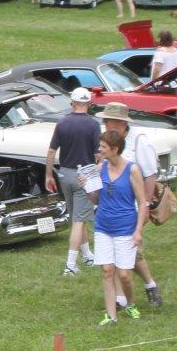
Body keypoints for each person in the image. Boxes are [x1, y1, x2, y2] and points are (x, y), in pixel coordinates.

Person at [81, 129, 149, 325]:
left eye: (103, 147)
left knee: (125, 275)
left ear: (115, 149)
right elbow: (96, 199)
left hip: (125, 228)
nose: (99, 149)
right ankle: (111, 316)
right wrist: (87, 188)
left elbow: (142, 202)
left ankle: (130, 304)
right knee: (107, 270)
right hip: (103, 226)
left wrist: (138, 231)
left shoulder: (132, 170)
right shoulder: (100, 168)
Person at [99, 103, 163, 308]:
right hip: (110, 206)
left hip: (132, 207)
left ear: (120, 123)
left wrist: (146, 205)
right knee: (118, 255)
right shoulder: (107, 141)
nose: (105, 124)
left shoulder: (139, 141)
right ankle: (122, 296)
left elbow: (150, 174)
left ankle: (148, 286)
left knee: (130, 254)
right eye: (105, 121)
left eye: (108, 121)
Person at [44, 87, 100, 276]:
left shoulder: (62, 123)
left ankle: (88, 255)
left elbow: (51, 151)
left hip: (65, 174)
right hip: (85, 175)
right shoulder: (93, 125)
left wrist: (48, 175)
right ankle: (70, 264)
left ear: (72, 103)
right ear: (89, 104)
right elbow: (98, 154)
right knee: (79, 220)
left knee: (77, 217)